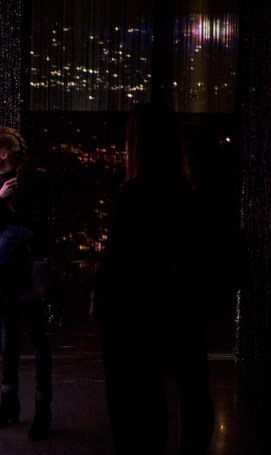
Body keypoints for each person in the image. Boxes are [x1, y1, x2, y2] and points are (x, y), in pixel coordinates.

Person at [93, 103, 215, 454]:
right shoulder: (182, 191)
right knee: (159, 395)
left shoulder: (135, 193)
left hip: (133, 311)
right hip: (167, 308)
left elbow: (115, 259)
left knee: (135, 400)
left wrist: (101, 299)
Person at [0, 126, 53, 441]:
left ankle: (42, 410)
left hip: (26, 272)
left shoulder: (30, 183)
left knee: (36, 339)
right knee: (9, 341)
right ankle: (10, 405)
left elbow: (41, 227)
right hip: (6, 274)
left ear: (4, 153)